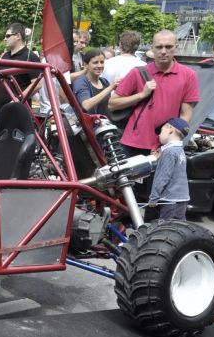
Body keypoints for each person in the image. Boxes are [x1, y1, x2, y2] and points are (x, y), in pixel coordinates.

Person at [108, 29, 199, 157]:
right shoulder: (137, 72)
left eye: (168, 47)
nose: (163, 51)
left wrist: (169, 144)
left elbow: (185, 116)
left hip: (163, 145)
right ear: (152, 49)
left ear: (176, 48)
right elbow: (112, 104)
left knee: (158, 178)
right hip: (133, 142)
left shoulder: (189, 75)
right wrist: (141, 95)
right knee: (128, 178)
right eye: (159, 47)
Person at [147, 117, 190, 220]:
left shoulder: (169, 152)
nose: (159, 135)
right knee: (178, 229)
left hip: (170, 200)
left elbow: (163, 177)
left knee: (166, 231)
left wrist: (153, 198)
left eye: (161, 131)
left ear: (170, 129)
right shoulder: (179, 150)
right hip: (181, 198)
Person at [0, 23, 41, 110]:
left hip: (17, 109)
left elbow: (38, 83)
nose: (5, 39)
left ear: (18, 36)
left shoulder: (30, 56)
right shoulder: (5, 55)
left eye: (8, 36)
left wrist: (19, 99)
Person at [72, 48, 120, 116]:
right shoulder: (81, 82)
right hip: (89, 125)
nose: (100, 65)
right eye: (95, 62)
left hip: (106, 124)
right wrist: (110, 88)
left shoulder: (104, 81)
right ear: (86, 65)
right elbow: (86, 105)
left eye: (102, 62)